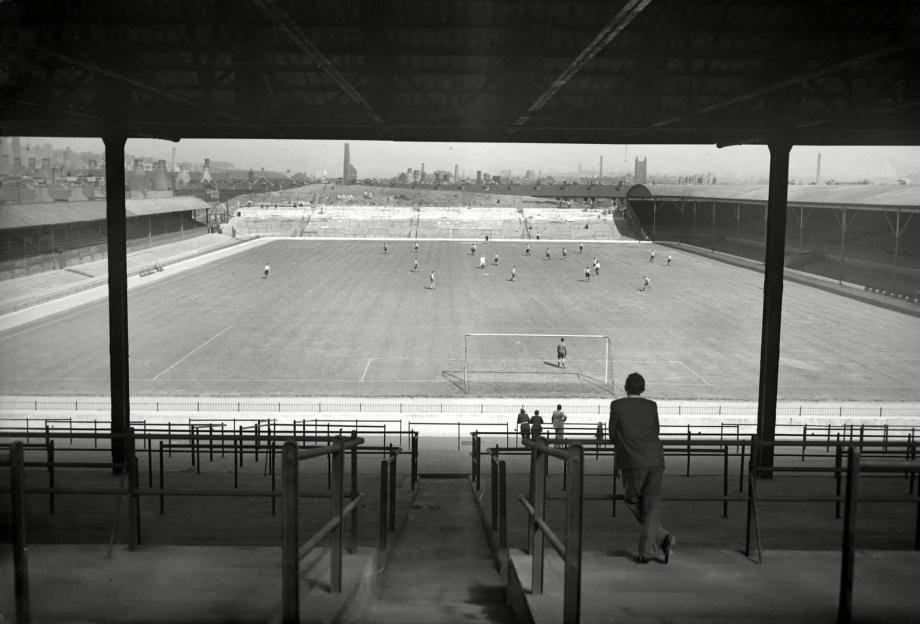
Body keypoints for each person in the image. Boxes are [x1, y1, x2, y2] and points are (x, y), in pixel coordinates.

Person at [609, 372, 675, 564]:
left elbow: (612, 434)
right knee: (651, 506)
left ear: (625, 387)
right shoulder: (651, 406)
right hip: (655, 459)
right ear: (643, 389)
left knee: (631, 499)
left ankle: (647, 551)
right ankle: (662, 538)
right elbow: (656, 430)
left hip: (632, 461)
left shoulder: (617, 405)